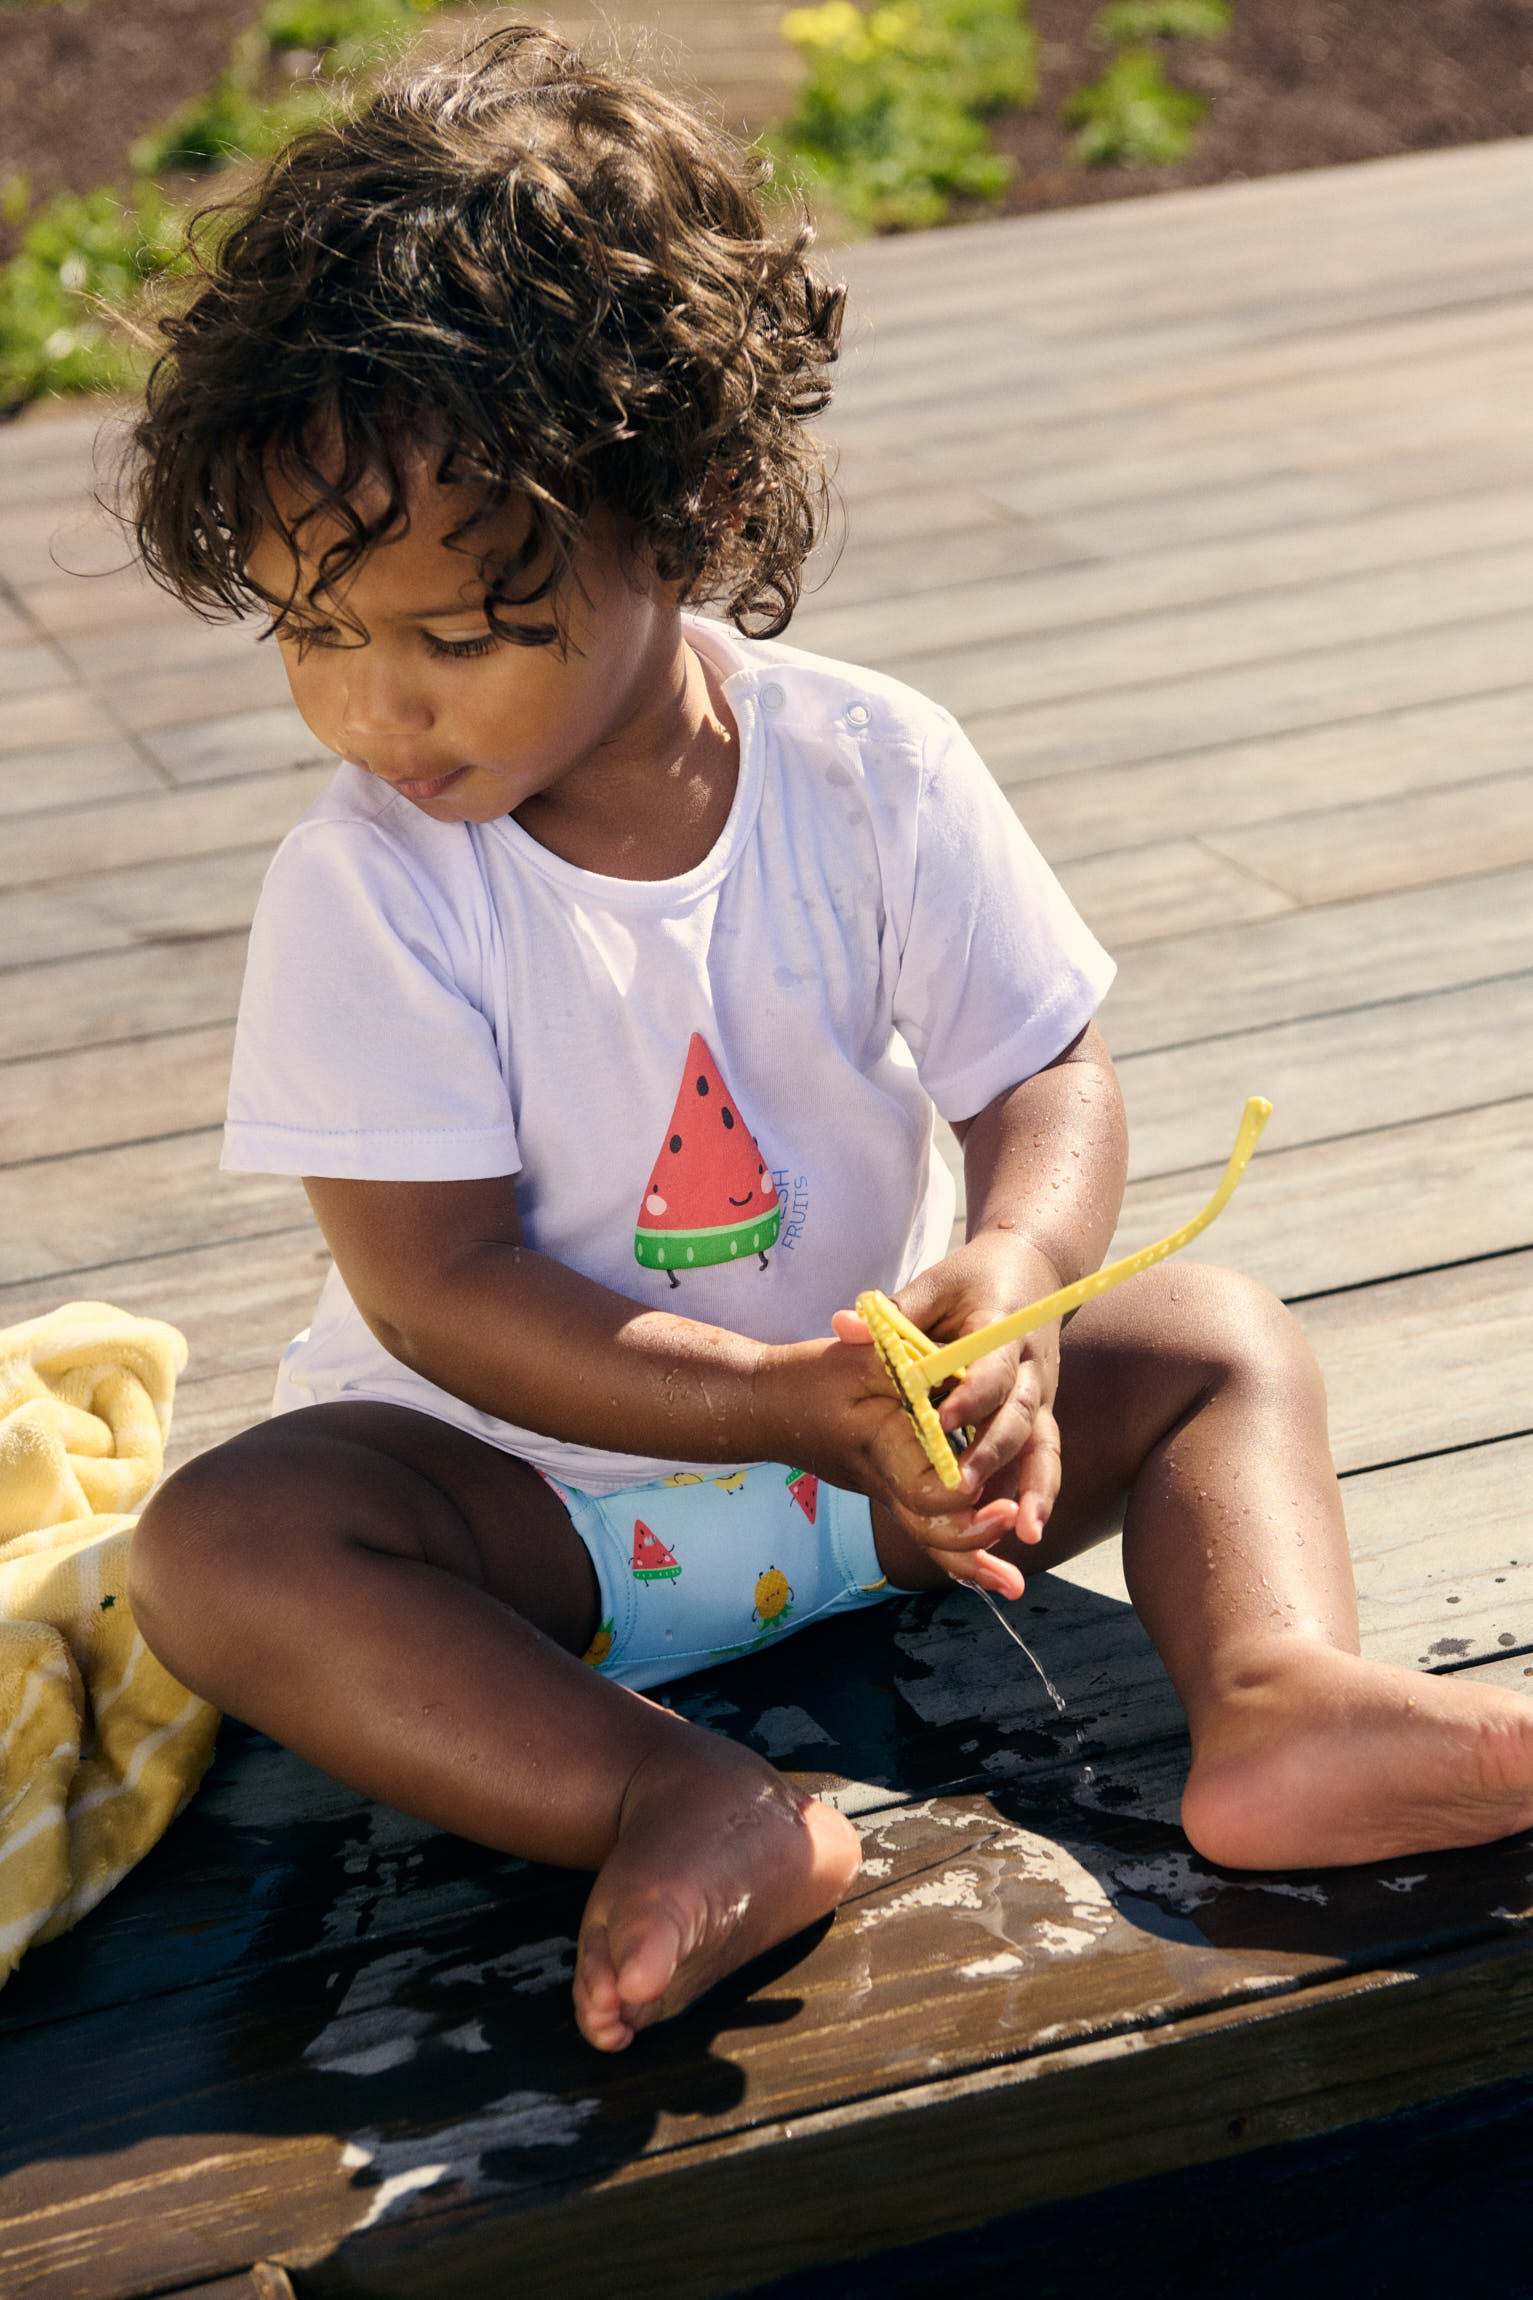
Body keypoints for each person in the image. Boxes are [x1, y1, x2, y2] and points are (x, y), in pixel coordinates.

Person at [124, 23, 1533, 2056]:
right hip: (527, 1520)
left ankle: (1277, 1701)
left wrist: (1018, 1273)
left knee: (1219, 1336)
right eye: (313, 632)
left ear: (678, 517)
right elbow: (437, 1288)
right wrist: (772, 1398)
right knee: (223, 1546)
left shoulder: (870, 765)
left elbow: (1041, 1068)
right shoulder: (370, 886)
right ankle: (669, 1796)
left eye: (456, 636)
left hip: (898, 1475)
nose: (373, 711)